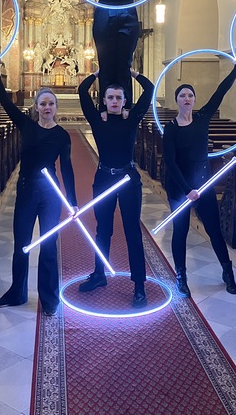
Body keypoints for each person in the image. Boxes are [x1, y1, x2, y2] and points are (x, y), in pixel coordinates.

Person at [0, 54, 77, 315]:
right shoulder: (26, 125)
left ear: (56, 107)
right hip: (26, 190)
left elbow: (68, 169)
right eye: (43, 103)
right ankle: (17, 292)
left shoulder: (62, 136)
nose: (47, 107)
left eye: (51, 103)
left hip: (50, 194)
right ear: (36, 107)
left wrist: (72, 202)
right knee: (22, 243)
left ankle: (49, 298)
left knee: (48, 246)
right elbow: (5, 100)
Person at [163, 61, 236, 298]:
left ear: (194, 100)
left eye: (190, 95)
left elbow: (220, 92)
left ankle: (227, 272)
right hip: (180, 189)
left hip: (204, 185)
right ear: (177, 100)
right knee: (180, 231)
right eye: (182, 95)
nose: (187, 98)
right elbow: (170, 163)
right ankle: (181, 277)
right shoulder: (170, 128)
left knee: (214, 230)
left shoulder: (202, 118)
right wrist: (187, 190)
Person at [78, 68, 153, 307]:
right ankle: (99, 274)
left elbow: (149, 89)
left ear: (124, 101)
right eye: (110, 97)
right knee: (103, 229)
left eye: (118, 98)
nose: (114, 101)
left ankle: (139, 285)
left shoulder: (132, 119)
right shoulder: (97, 120)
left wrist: (132, 73)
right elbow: (82, 91)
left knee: (132, 231)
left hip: (128, 179)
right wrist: (97, 73)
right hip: (104, 178)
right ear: (104, 100)